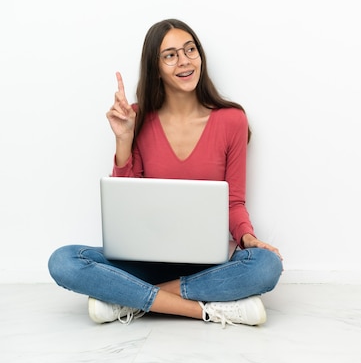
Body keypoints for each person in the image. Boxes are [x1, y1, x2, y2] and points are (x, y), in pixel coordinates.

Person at [48, 19, 283, 326]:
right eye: (170, 55)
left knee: (265, 265)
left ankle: (129, 300)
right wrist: (124, 139)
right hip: (146, 261)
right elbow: (128, 204)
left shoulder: (232, 120)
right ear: (155, 67)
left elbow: (233, 202)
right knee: (63, 261)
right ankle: (207, 309)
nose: (185, 61)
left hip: (208, 265)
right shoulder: (137, 117)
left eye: (190, 50)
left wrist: (248, 238)